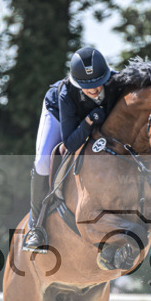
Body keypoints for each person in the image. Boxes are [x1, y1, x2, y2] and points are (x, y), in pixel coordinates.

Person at [23, 46, 115, 253]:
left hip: (89, 121)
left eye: (98, 84)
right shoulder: (65, 94)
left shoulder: (117, 83)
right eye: (87, 86)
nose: (94, 90)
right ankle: (36, 227)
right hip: (58, 113)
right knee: (43, 162)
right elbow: (70, 144)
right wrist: (89, 121)